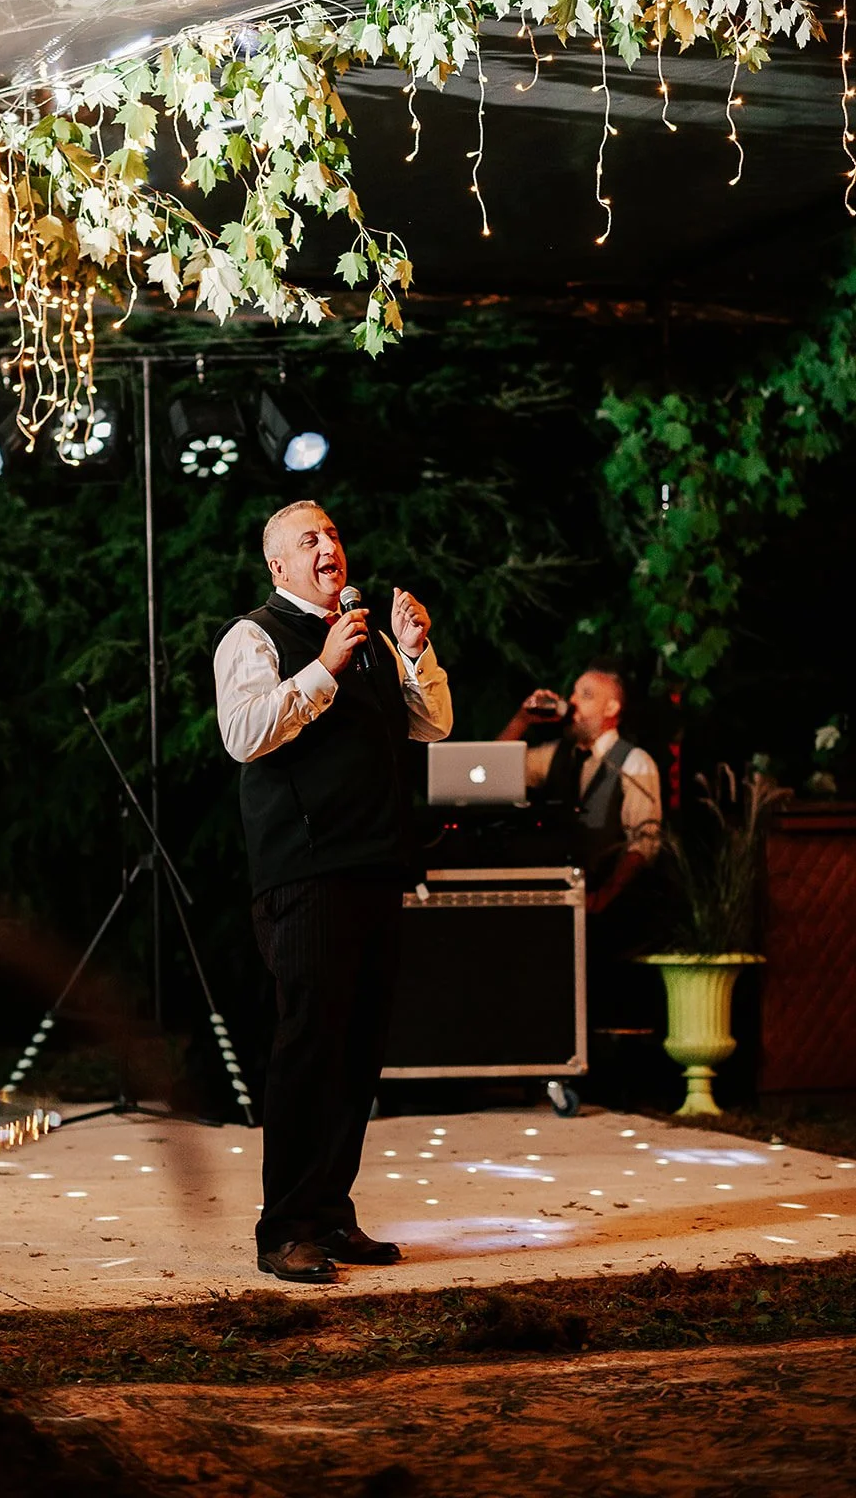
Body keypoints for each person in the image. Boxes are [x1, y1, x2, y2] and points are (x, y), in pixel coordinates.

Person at [213, 500, 452, 1283]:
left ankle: (330, 1214)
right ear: (277, 564)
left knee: (357, 1054)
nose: (329, 548)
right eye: (308, 539)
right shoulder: (254, 635)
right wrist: (323, 668)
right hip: (304, 870)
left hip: (375, 864)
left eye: (334, 535)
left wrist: (412, 654)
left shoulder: (367, 635)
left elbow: (432, 726)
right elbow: (245, 734)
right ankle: (283, 1228)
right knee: (309, 1047)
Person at [499, 662, 662, 1029]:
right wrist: (522, 721)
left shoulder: (635, 762)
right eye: (573, 693)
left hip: (609, 915)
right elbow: (490, 772)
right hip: (555, 910)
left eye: (586, 695)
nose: (572, 702)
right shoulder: (557, 754)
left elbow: (645, 842)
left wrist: (605, 896)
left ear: (612, 709)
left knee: (600, 1008)